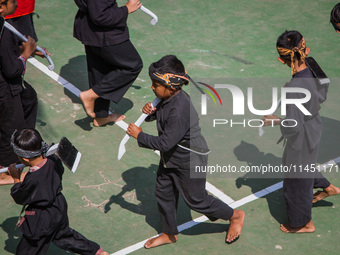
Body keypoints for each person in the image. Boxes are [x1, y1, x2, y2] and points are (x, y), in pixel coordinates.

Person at [127, 55, 245, 248]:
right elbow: (165, 119)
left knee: (197, 200)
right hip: (171, 159)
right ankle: (169, 233)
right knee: (163, 192)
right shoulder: (168, 97)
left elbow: (165, 142)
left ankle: (235, 215)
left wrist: (139, 136)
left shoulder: (180, 109)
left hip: (190, 160)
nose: (152, 88)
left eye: (155, 84)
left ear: (172, 86)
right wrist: (152, 112)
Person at [262, 30, 340, 233]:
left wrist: (274, 120)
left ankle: (304, 223)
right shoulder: (311, 65)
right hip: (314, 127)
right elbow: (322, 90)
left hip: (302, 138)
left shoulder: (296, 87)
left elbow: (293, 125)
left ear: (281, 60)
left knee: (296, 182)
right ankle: (328, 187)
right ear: (306, 50)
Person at [7, 128, 109, 255]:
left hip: (41, 217)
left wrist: (16, 179)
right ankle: (95, 252)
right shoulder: (53, 160)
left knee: (30, 247)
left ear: (26, 159)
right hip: (58, 206)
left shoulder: (34, 179)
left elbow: (20, 197)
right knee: (63, 235)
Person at [73, 0, 143, 127]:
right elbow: (100, 16)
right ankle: (91, 95)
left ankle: (101, 116)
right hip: (104, 33)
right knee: (133, 65)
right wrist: (126, 9)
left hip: (90, 29)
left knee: (100, 69)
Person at [0, 0, 46, 185]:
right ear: (2, 6)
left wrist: (27, 51)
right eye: (13, 0)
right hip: (4, 88)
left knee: (29, 97)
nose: (17, 2)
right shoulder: (3, 32)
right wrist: (25, 55)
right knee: (10, 128)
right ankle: (4, 171)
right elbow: (11, 70)